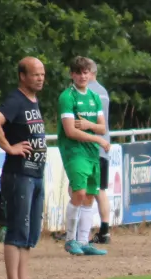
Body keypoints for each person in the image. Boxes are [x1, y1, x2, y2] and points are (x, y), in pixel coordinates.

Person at [0, 56, 48, 279]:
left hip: (35, 172)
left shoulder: (33, 101)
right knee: (17, 227)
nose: (40, 78)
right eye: (35, 74)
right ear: (23, 76)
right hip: (20, 173)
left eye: (42, 74)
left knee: (30, 229)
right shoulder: (16, 100)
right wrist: (9, 147)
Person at [57, 56, 110, 256]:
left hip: (91, 153)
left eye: (85, 72)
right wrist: (98, 139)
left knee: (89, 196)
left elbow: (102, 127)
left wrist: (89, 126)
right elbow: (70, 131)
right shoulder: (67, 97)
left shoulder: (94, 97)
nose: (82, 76)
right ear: (72, 75)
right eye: (78, 72)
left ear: (90, 74)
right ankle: (70, 239)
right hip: (74, 151)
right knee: (79, 193)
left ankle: (83, 240)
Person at [83, 59, 111, 244]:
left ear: (90, 72)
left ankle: (81, 229)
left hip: (91, 146)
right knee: (100, 190)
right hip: (104, 146)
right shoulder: (103, 91)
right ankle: (105, 230)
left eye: (83, 71)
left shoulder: (88, 92)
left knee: (82, 188)